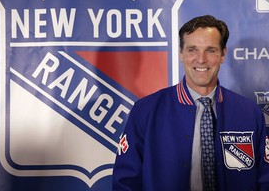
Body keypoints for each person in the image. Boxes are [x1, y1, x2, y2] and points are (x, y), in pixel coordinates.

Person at [112, 15, 269, 190]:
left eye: (210, 50)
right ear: (181, 53)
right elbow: (125, 182)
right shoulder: (146, 111)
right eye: (192, 50)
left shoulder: (249, 113)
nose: (201, 59)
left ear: (223, 54)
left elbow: (265, 178)